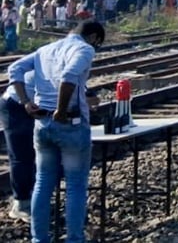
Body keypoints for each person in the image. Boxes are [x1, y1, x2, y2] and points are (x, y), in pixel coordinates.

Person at [9, 20, 105, 243]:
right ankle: (74, 239)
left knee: (42, 182)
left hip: (42, 124)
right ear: (93, 37)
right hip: (70, 124)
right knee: (75, 185)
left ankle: (39, 239)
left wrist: (25, 102)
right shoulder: (84, 48)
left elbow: (15, 69)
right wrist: (61, 110)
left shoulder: (46, 50)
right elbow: (70, 76)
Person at [0, 69, 35, 222]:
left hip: (34, 105)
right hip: (15, 105)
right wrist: (25, 101)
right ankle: (21, 204)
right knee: (21, 156)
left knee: (36, 153)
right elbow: (14, 69)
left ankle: (34, 196)